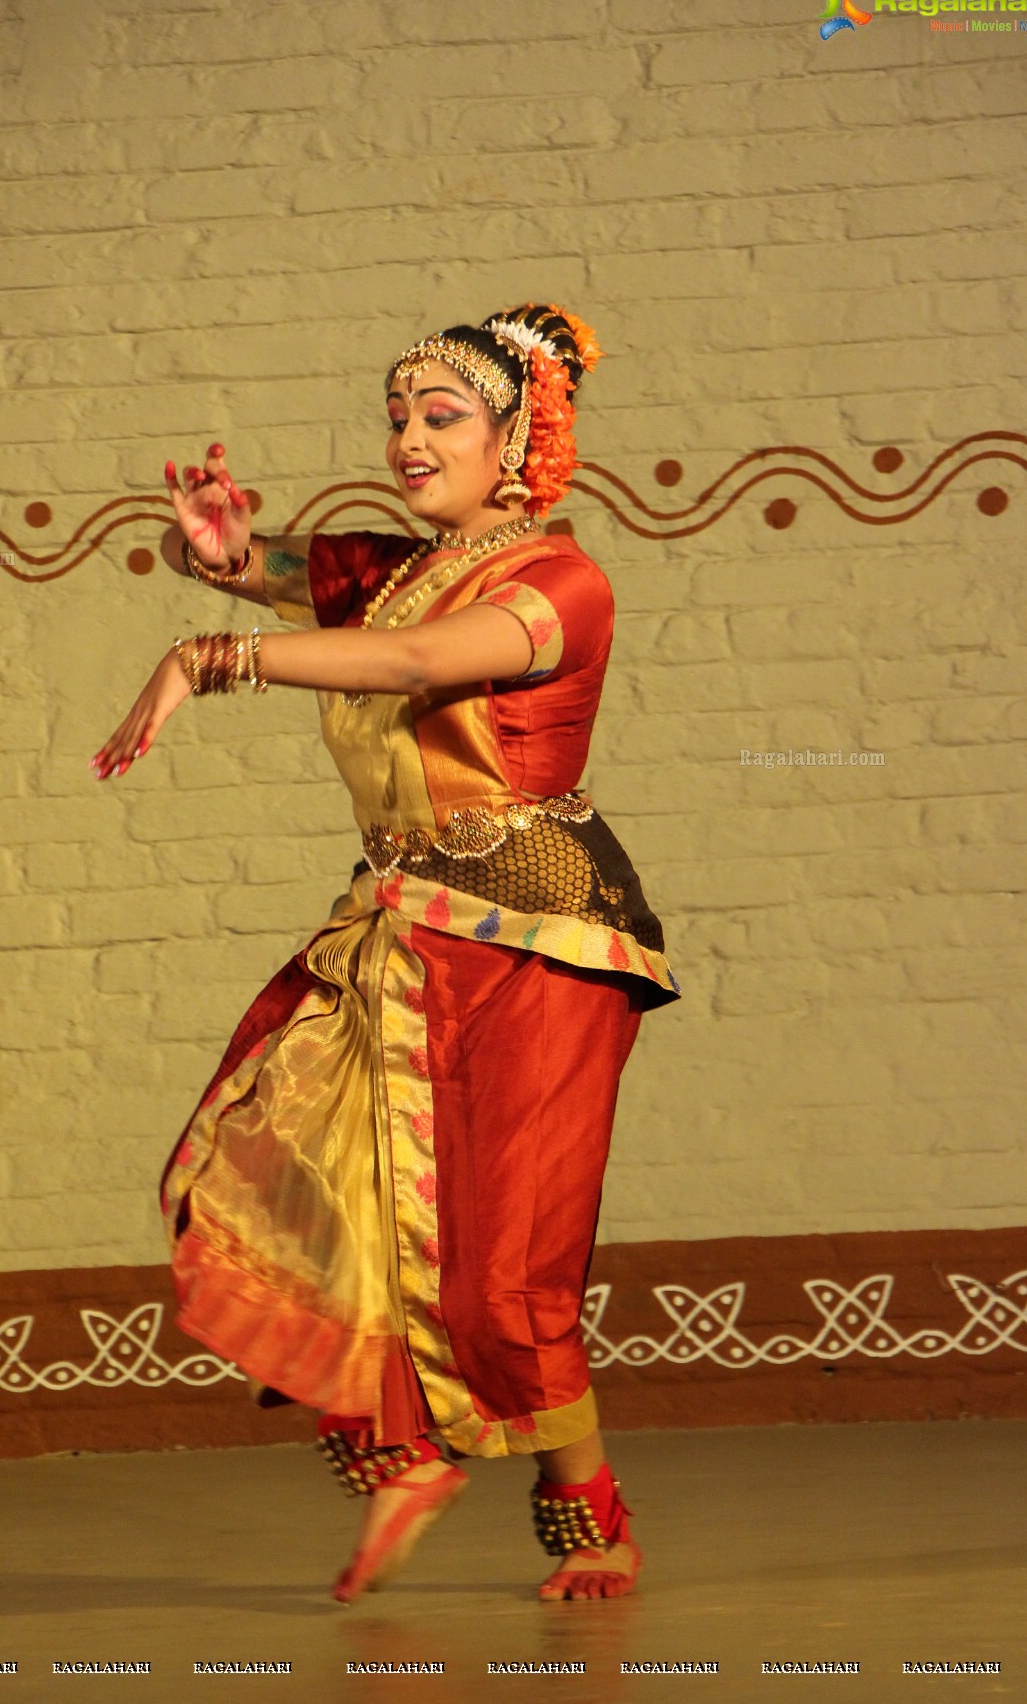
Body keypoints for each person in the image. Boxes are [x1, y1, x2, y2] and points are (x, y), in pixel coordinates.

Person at [90, 303, 681, 1604]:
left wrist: (215, 657)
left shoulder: (562, 584)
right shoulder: (403, 563)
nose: (410, 440)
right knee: (278, 1161)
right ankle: (398, 1452)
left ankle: (587, 1514)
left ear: (519, 437)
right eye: (399, 416)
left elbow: (413, 660)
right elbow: (269, 570)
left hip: (542, 940)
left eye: (442, 417)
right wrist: (218, 555)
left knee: (500, 1263)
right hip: (407, 929)